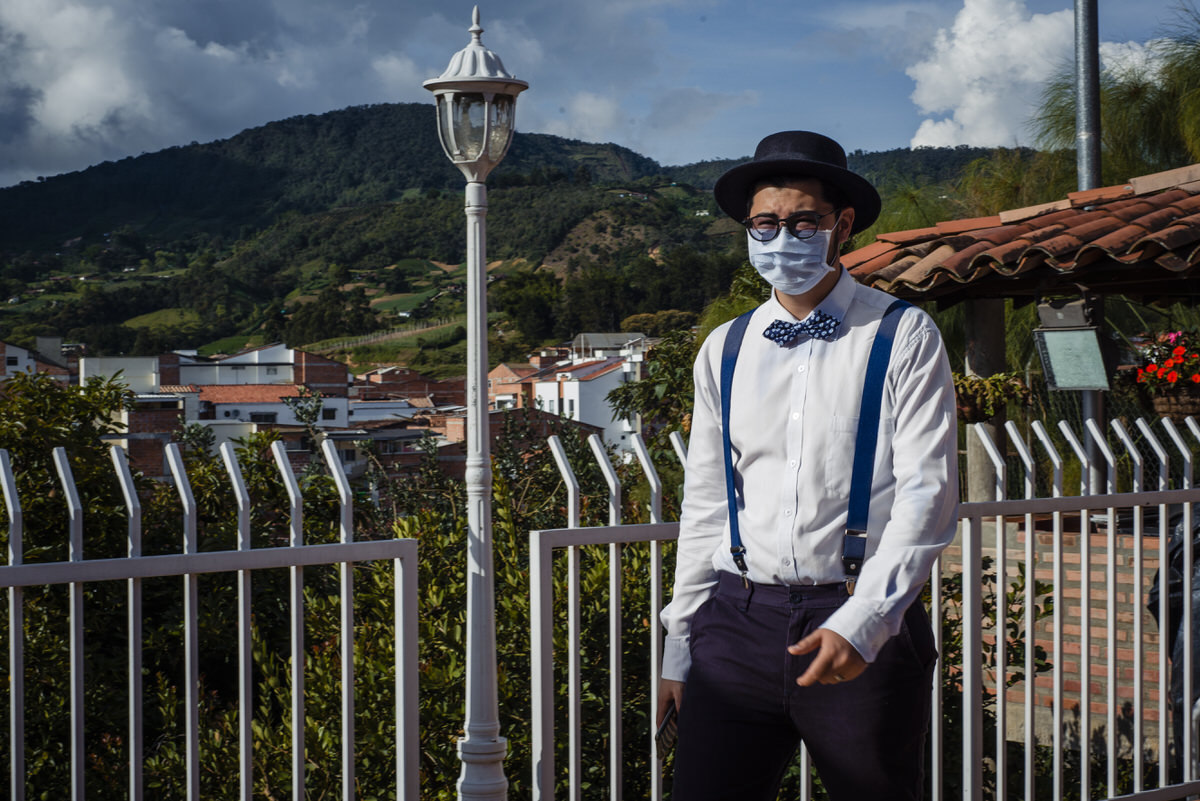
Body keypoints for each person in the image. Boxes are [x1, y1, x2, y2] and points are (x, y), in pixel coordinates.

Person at [657, 130, 959, 801]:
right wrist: (681, 647)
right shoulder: (724, 347)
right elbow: (707, 502)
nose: (780, 237)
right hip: (735, 623)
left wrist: (866, 620)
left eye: (802, 222)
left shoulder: (901, 334)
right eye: (764, 224)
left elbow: (929, 492)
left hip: (856, 612)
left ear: (841, 226)